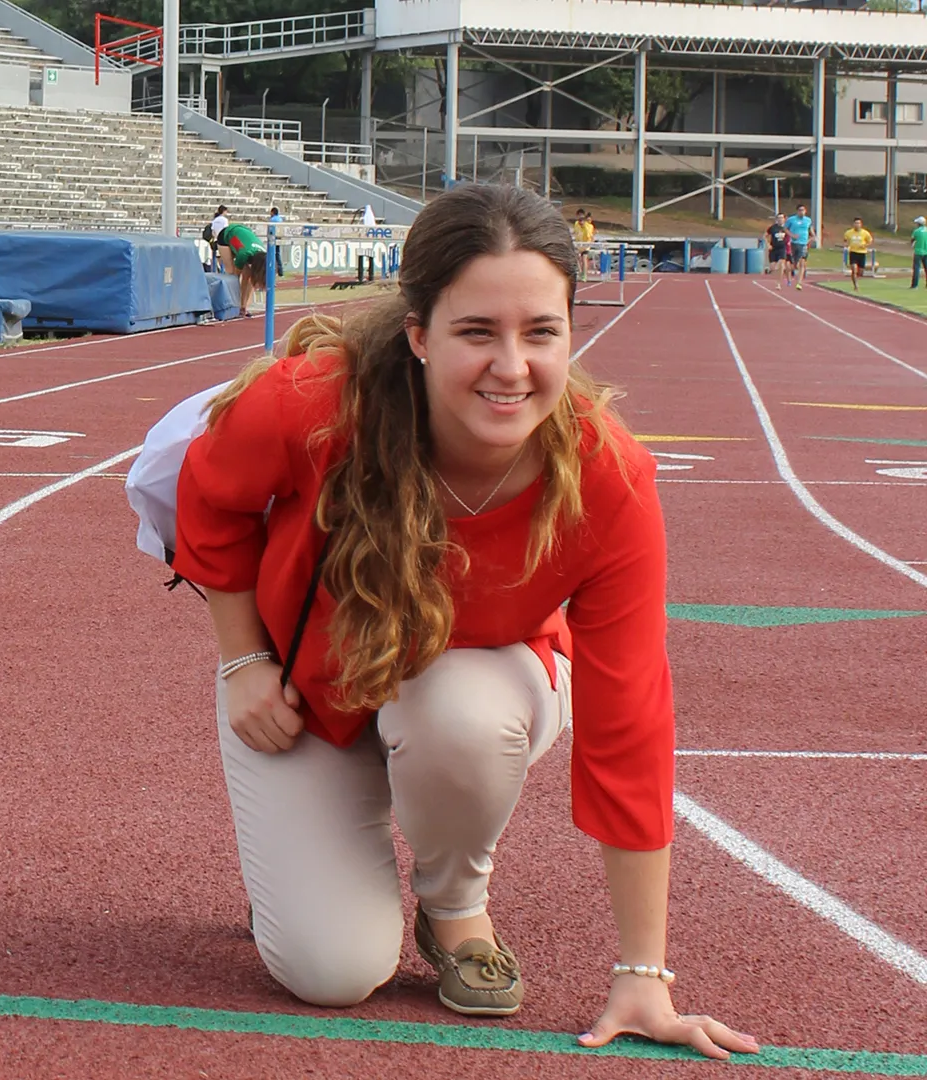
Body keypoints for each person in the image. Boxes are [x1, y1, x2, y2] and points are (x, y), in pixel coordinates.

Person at [172, 183, 758, 1061]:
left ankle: (454, 909)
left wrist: (646, 972)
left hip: (471, 685)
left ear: (571, 332)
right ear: (419, 334)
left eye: (541, 332)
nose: (511, 365)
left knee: (463, 714)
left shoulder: (609, 478)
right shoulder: (316, 405)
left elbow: (629, 717)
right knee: (333, 973)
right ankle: (303, 866)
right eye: (477, 332)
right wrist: (241, 660)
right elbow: (208, 501)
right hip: (306, 694)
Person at [215, 220, 271, 315]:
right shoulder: (243, 254)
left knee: (249, 277)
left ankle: (243, 307)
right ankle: (232, 304)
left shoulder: (263, 254)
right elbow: (236, 278)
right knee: (232, 274)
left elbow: (249, 279)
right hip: (226, 237)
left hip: (242, 240)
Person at [785, 204, 815, 290]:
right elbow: (785, 229)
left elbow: (811, 232)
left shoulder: (808, 220)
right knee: (794, 265)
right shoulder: (791, 219)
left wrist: (811, 239)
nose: (802, 212)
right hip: (794, 244)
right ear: (797, 211)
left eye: (803, 210)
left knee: (802, 263)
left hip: (803, 244)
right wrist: (792, 235)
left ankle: (799, 283)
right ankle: (789, 273)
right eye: (800, 210)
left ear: (805, 211)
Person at [843, 217, 874, 293]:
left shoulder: (865, 233)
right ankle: (855, 285)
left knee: (860, 272)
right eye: (856, 223)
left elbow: (870, 241)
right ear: (853, 224)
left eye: (859, 223)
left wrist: (865, 245)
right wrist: (846, 245)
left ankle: (856, 277)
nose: (857, 225)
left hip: (862, 253)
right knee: (854, 269)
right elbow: (845, 240)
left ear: (861, 224)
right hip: (853, 252)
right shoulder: (848, 232)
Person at [764, 214, 791, 288]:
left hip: (782, 248)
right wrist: (768, 244)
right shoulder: (773, 228)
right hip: (773, 249)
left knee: (781, 264)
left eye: (781, 218)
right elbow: (765, 236)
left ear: (784, 219)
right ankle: (777, 273)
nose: (780, 219)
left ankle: (778, 283)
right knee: (773, 268)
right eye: (778, 218)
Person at [912, 215, 927, 289]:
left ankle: (915, 285)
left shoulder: (916, 231)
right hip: (926, 251)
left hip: (918, 251)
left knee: (916, 268)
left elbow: (912, 240)